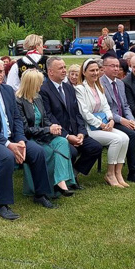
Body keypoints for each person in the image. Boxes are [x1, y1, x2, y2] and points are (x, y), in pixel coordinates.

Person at [0, 59, 55, 220]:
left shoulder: (7, 90)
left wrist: (20, 140)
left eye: (1, 71)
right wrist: (9, 145)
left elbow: (17, 119)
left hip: (10, 138)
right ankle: (2, 205)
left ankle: (41, 194)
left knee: (36, 151)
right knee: (6, 156)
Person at [39, 58, 102, 188]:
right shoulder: (44, 90)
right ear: (50, 72)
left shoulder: (68, 88)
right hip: (58, 134)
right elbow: (48, 117)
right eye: (60, 68)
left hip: (75, 131)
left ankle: (73, 174)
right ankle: (64, 180)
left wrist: (81, 132)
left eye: (64, 67)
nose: (64, 70)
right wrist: (67, 136)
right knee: (72, 151)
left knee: (95, 148)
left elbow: (77, 113)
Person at [15, 70, 77, 197]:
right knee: (47, 152)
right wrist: (47, 130)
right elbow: (25, 129)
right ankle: (49, 186)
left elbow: (45, 119)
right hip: (29, 138)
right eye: (39, 83)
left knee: (62, 141)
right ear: (31, 84)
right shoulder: (18, 101)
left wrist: (52, 126)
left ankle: (60, 181)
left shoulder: (37, 98)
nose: (41, 86)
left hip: (42, 135)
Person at [74, 59, 131, 188]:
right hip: (90, 128)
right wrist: (101, 125)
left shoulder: (98, 87)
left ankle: (118, 173)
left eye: (96, 70)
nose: (95, 73)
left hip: (104, 124)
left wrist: (111, 120)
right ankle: (110, 174)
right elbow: (85, 113)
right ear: (84, 72)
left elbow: (106, 107)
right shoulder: (80, 89)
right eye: (91, 70)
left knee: (125, 138)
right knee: (116, 140)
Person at [100, 56, 135, 184]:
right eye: (112, 66)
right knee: (131, 134)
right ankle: (133, 172)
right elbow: (105, 109)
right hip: (110, 121)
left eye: (117, 66)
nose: (116, 69)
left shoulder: (120, 83)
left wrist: (131, 119)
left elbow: (125, 105)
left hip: (124, 119)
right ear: (104, 68)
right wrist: (122, 120)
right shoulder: (100, 84)